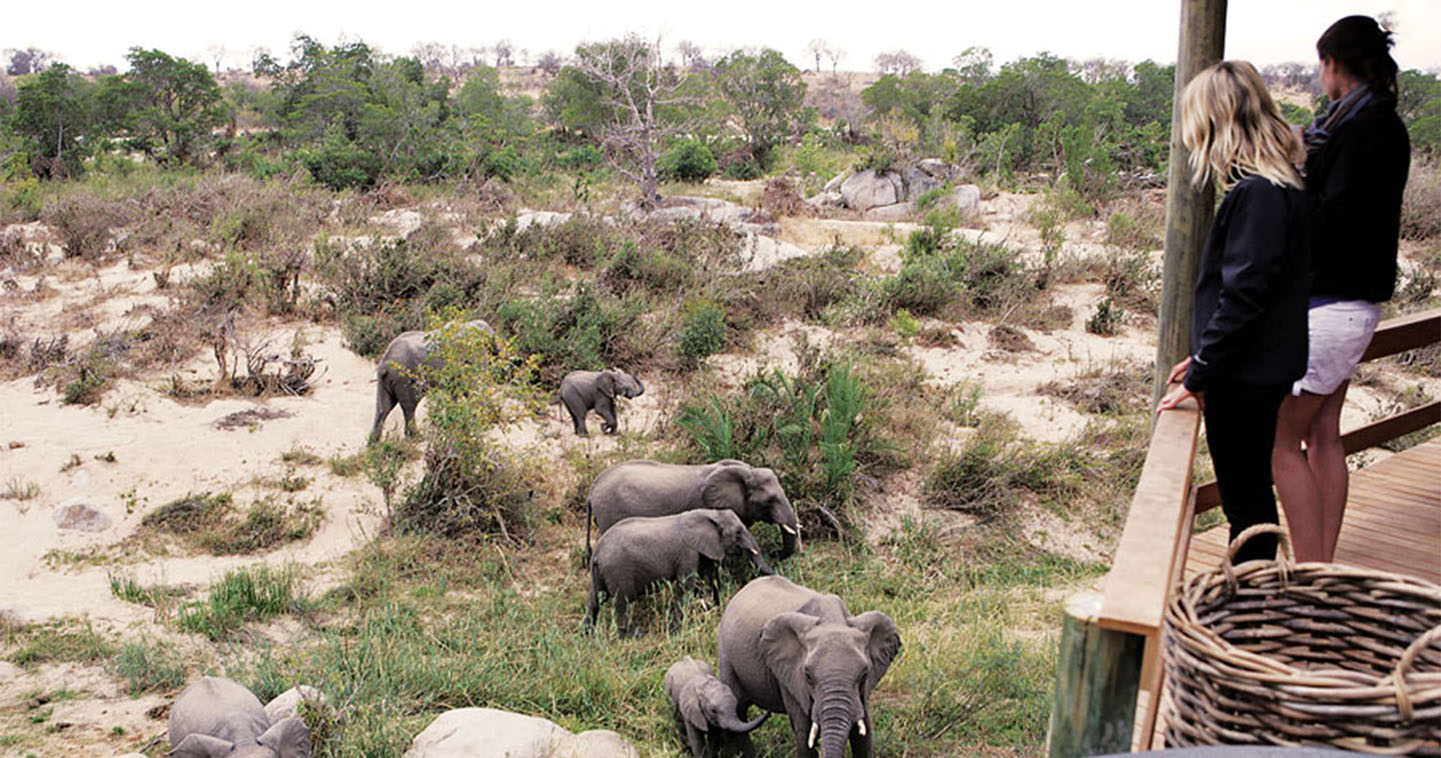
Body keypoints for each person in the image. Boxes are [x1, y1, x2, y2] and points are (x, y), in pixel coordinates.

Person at [1158, 61, 1311, 565]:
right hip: (1255, 370)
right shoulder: (1280, 187)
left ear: (1213, 122)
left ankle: (1250, 605)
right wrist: (1202, 359)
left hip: (1245, 377)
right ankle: (1251, 599)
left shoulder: (1258, 195)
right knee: (1250, 497)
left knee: (1246, 503)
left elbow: (1243, 296)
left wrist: (1203, 371)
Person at [1272, 16, 1409, 563]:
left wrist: (1297, 174)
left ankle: (1309, 572)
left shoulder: (1359, 129)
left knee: (1279, 443)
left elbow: (1334, 215)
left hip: (1329, 302)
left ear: (1333, 65)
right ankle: (1321, 561)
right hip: (1358, 303)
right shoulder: (1383, 123)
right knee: (1324, 433)